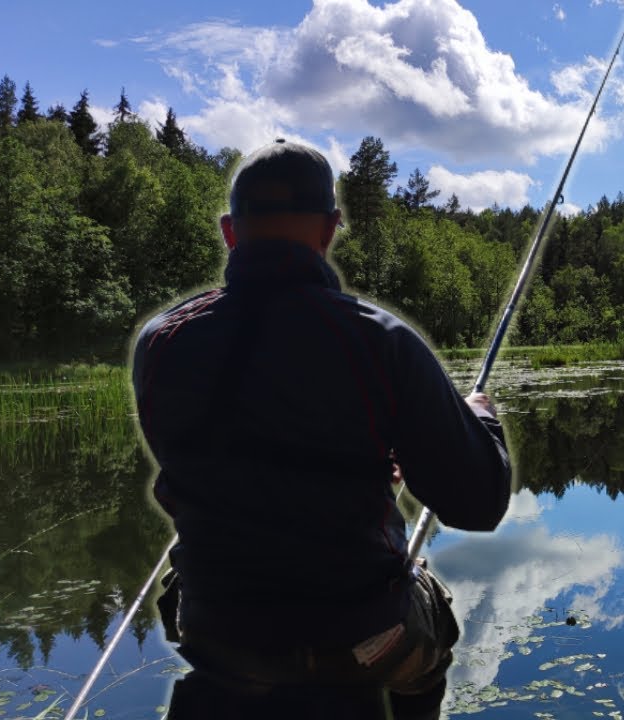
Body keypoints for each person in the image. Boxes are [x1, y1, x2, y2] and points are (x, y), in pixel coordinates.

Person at [130, 139, 512, 719]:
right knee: (430, 638)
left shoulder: (159, 342)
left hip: (217, 629)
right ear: (331, 229)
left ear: (231, 232)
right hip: (358, 638)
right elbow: (477, 503)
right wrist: (479, 414)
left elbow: (236, 453)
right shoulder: (378, 340)